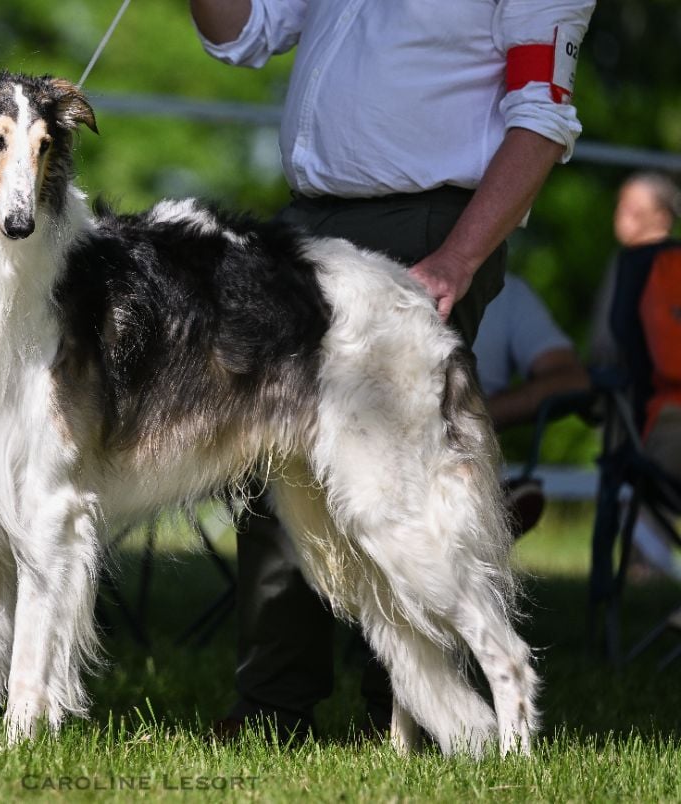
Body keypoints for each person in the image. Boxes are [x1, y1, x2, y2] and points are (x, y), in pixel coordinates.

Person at [190, 0, 597, 741]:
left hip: (424, 230)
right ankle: (275, 709)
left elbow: (542, 118)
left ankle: (408, 718)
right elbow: (239, 34)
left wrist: (456, 260)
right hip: (307, 225)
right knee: (268, 462)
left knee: (400, 480)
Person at [472, 274, 591, 536]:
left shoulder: (507, 292)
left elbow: (571, 379)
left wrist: (478, 416)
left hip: (466, 452)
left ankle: (481, 515)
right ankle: (485, 517)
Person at [606, 172, 681, 582]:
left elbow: (606, 347)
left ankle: (643, 566)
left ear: (660, 214)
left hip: (651, 426)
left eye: (631, 207)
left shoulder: (634, 266)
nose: (621, 216)